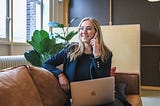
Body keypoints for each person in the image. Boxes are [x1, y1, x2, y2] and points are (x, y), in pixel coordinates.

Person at [42, 17, 116, 105]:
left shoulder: (106, 54)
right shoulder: (70, 50)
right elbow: (46, 64)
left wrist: (97, 56)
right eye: (81, 28)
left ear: (97, 32)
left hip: (98, 101)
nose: (83, 32)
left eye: (88, 28)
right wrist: (60, 74)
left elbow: (103, 81)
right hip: (75, 100)